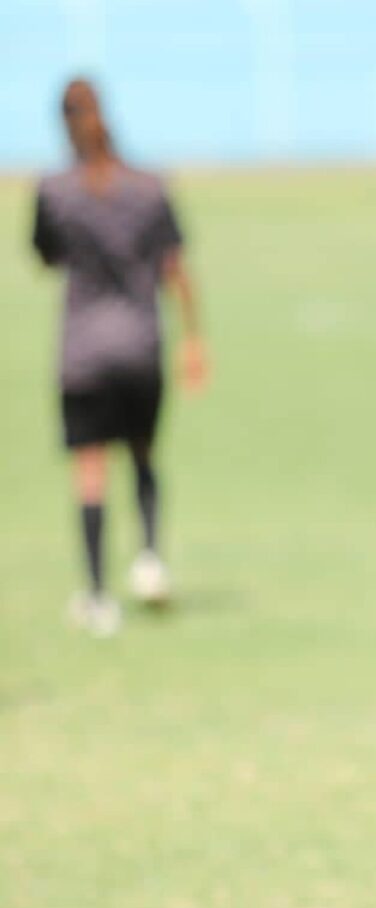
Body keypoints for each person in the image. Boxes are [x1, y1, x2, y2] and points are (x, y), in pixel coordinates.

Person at [31, 78, 207, 636]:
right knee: (144, 454)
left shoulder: (55, 191)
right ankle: (151, 559)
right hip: (141, 346)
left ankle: (97, 595)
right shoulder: (149, 188)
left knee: (90, 473)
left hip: (83, 351)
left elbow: (46, 255)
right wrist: (195, 338)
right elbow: (175, 268)